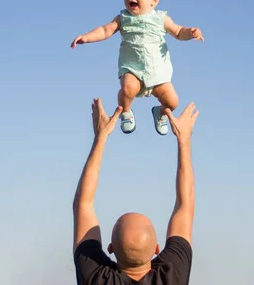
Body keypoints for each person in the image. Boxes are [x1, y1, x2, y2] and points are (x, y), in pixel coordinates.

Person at [72, 98, 198, 284]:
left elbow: (83, 204)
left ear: (111, 248)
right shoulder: (172, 276)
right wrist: (184, 140)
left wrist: (100, 137)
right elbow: (185, 204)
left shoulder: (97, 279)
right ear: (156, 249)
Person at [70, 0, 204, 136]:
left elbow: (178, 31)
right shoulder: (123, 18)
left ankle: (160, 113)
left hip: (157, 72)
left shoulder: (161, 19)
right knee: (128, 88)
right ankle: (126, 112)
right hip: (132, 68)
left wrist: (190, 32)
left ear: (154, 1)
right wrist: (87, 37)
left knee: (172, 102)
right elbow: (105, 30)